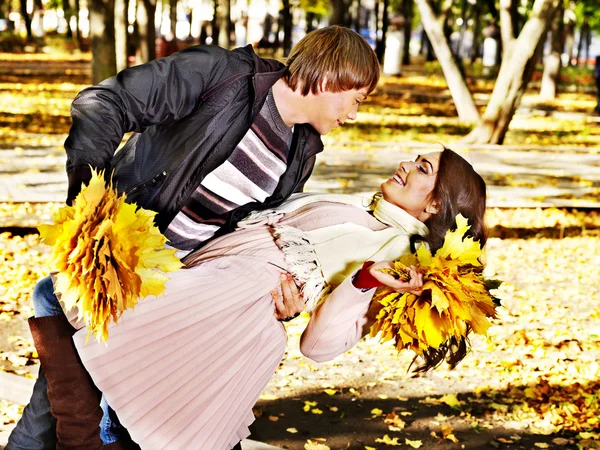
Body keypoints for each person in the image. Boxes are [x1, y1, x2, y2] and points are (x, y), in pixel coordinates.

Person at [7, 25, 380, 450]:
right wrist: (86, 207)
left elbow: (253, 240)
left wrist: (285, 304)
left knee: (81, 412)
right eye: (356, 99)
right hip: (111, 267)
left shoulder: (300, 155)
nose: (353, 114)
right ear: (334, 79)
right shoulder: (222, 76)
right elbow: (105, 102)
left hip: (170, 299)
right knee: (62, 410)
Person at [24, 148, 487, 449]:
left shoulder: (398, 258)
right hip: (211, 287)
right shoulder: (372, 217)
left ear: (433, 207)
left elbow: (319, 346)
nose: (406, 163)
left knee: (68, 302)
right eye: (416, 158)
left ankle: (77, 437)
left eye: (422, 168)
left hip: (228, 305)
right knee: (98, 347)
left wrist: (363, 281)